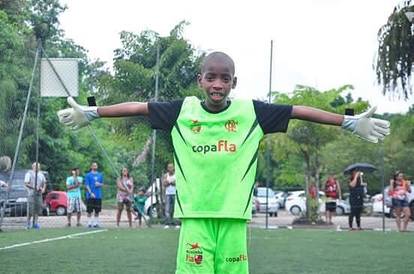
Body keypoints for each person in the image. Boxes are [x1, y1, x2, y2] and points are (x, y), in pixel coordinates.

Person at [58, 51, 390, 274]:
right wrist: (93, 112)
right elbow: (139, 107)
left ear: (234, 82)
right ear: (200, 80)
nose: (218, 84)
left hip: (233, 217)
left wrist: (346, 121)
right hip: (195, 217)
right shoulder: (181, 110)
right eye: (211, 77)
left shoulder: (250, 112)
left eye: (225, 78)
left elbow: (296, 110)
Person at [24, 162, 47, 229]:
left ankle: (35, 223)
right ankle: (28, 224)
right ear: (33, 167)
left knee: (37, 209)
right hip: (31, 193)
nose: (37, 168)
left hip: (39, 194)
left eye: (38, 166)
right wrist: (34, 187)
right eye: (36, 166)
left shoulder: (41, 174)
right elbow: (26, 183)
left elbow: (44, 183)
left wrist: (43, 189)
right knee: (31, 209)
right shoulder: (29, 174)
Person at [84, 162, 104, 228]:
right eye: (93, 166)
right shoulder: (88, 175)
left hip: (98, 195)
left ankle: (95, 223)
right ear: (91, 167)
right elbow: (87, 185)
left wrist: (99, 184)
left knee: (97, 210)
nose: (95, 167)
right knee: (89, 210)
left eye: (96, 165)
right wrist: (90, 193)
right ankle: (89, 223)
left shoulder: (100, 175)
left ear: (97, 167)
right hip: (90, 196)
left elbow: (102, 184)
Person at [162, 163, 178, 228]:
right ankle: (167, 223)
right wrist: (170, 182)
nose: (170, 169)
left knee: (175, 208)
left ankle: (177, 223)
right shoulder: (166, 175)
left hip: (175, 193)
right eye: (169, 167)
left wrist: (170, 182)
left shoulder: (176, 175)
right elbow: (164, 184)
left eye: (171, 167)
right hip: (168, 194)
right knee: (167, 209)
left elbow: (176, 183)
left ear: (173, 168)